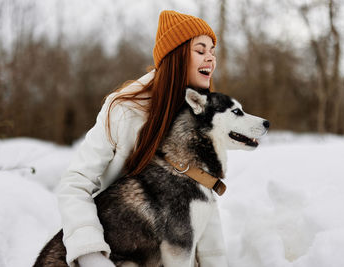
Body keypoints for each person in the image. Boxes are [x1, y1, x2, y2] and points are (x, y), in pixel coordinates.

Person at [57, 10, 228, 267]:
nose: (210, 58)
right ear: (177, 56)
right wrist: (91, 254)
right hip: (115, 246)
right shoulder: (123, 109)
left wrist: (215, 262)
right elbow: (75, 184)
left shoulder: (200, 116)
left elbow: (202, 198)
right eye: (201, 50)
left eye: (212, 51)